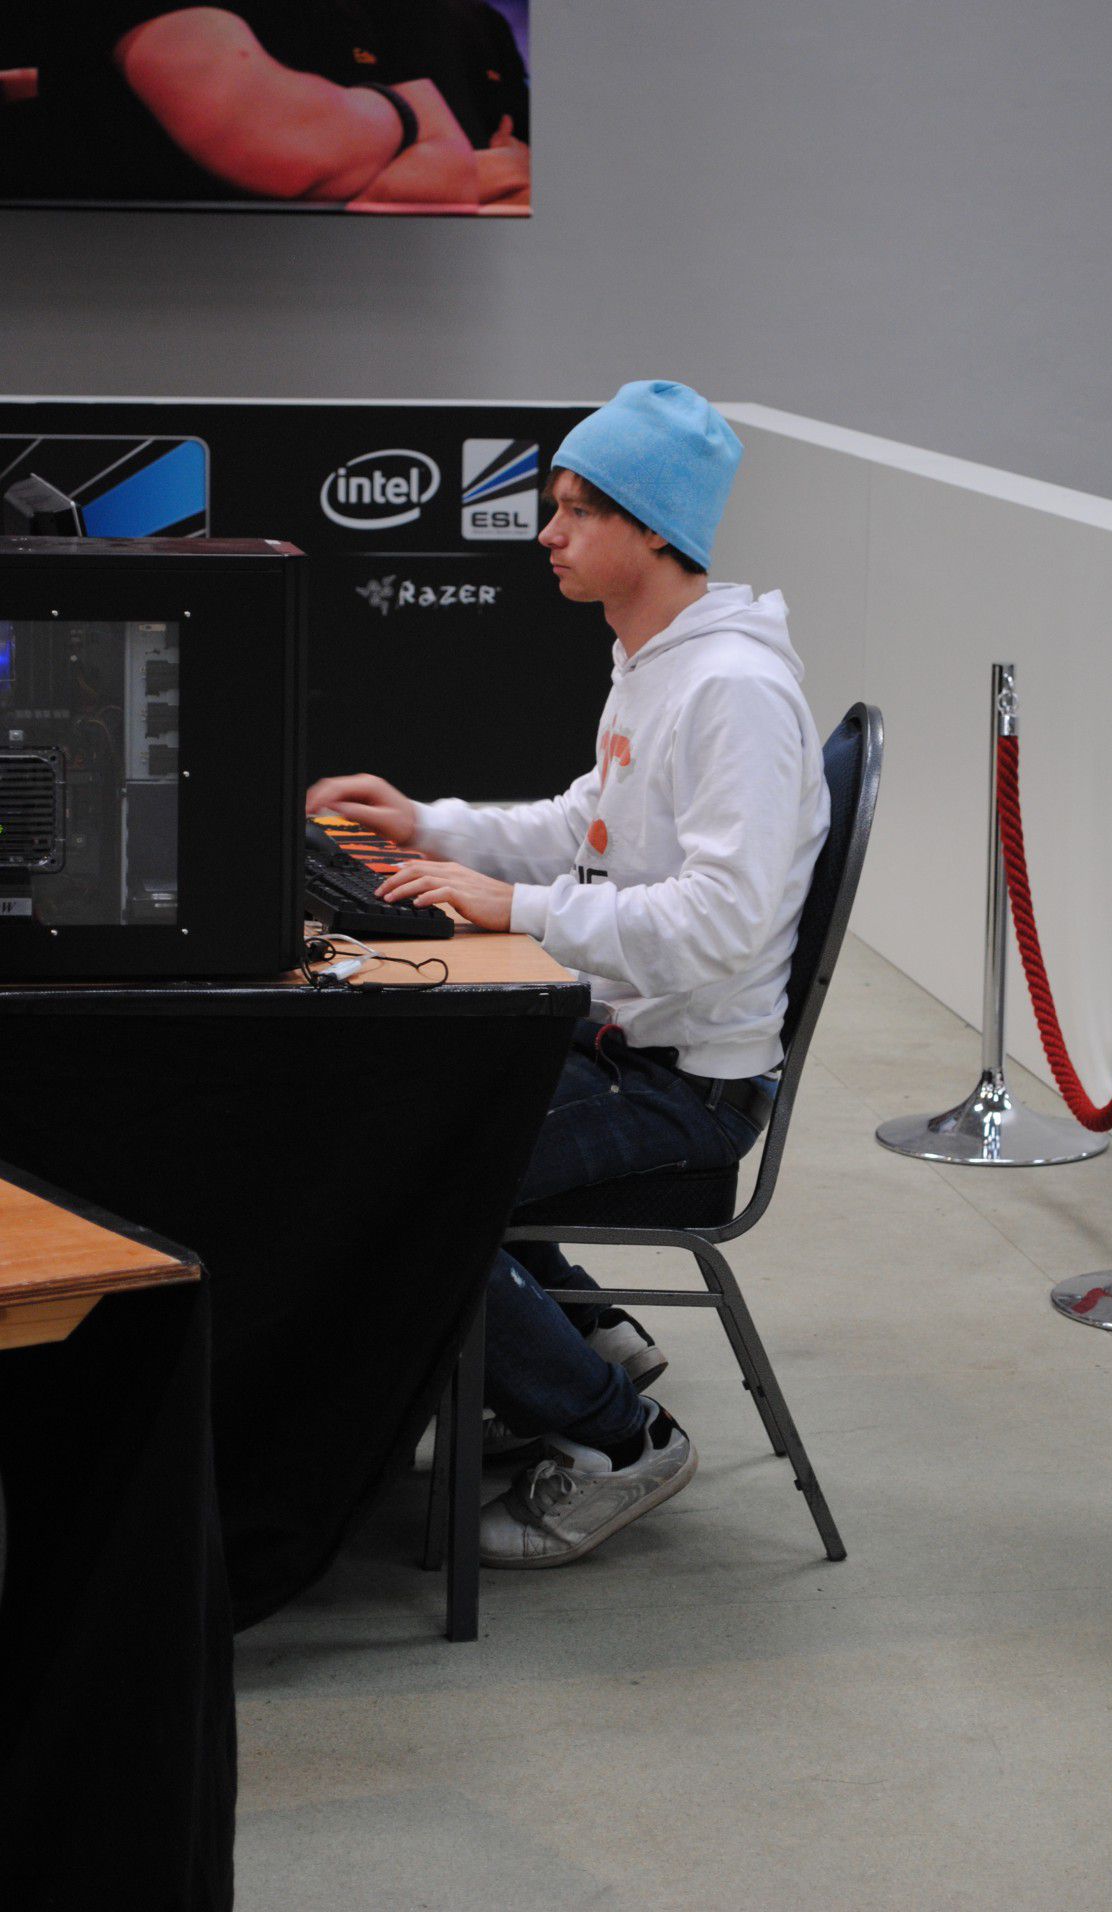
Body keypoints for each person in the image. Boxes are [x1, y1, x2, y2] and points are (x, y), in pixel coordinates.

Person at [307, 380, 830, 1567]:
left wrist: (519, 907)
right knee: (420, 1109)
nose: (547, 533)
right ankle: (587, 1337)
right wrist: (429, 824)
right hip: (627, 1042)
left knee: (413, 1186)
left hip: (686, 1087)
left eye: (577, 509)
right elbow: (583, 822)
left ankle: (618, 1435)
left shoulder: (731, 691)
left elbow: (722, 923)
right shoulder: (658, 663)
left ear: (655, 528)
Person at [1, 2, 528, 207]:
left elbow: (529, 178)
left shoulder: (464, 22)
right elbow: (288, 152)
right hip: (158, 314)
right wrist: (425, 127)